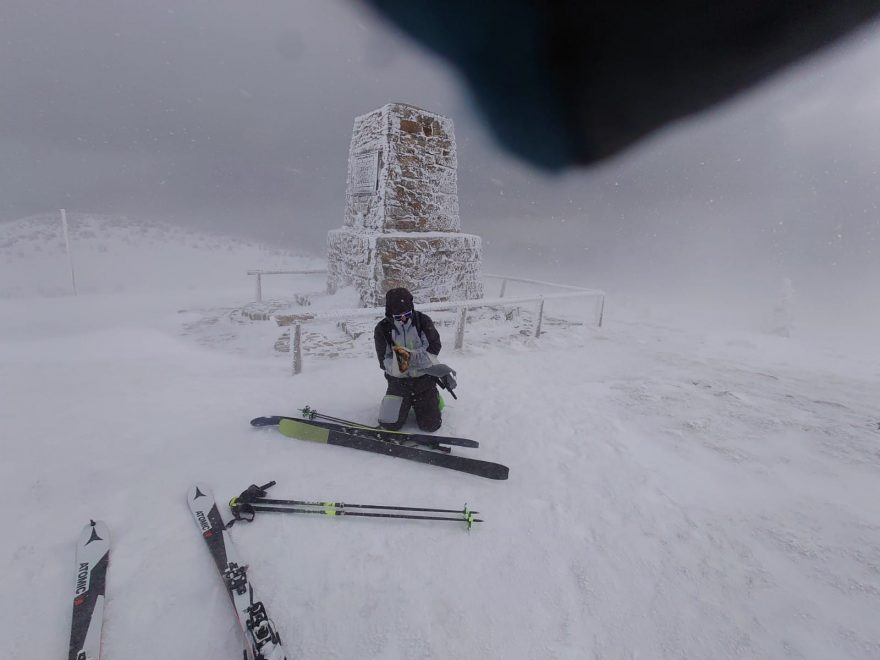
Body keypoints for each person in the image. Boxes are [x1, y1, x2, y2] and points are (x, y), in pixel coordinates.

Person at [373, 287, 445, 432]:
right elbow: (383, 360)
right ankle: (401, 401)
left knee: (431, 426)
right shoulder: (382, 328)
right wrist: (397, 366)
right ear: (390, 313)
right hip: (399, 384)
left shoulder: (423, 321)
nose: (404, 318)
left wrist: (412, 358)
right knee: (389, 425)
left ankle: (432, 396)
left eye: (407, 314)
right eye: (398, 316)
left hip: (423, 380)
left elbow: (434, 348)